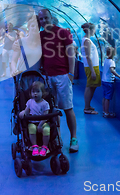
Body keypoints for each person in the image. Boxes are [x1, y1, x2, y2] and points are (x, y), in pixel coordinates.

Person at [37, 9, 79, 153]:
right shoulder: (40, 36)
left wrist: (71, 74)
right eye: (41, 19)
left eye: (46, 18)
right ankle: (57, 137)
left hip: (62, 75)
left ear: (51, 18)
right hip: (48, 77)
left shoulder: (62, 32)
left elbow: (70, 53)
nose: (44, 21)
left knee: (67, 108)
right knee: (52, 109)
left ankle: (73, 138)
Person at [19, 81, 51, 156]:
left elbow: (46, 116)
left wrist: (40, 125)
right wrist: (22, 113)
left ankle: (44, 147)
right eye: (33, 92)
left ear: (43, 93)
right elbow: (26, 111)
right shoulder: (30, 102)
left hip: (43, 122)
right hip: (32, 122)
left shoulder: (45, 104)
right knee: (32, 129)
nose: (35, 93)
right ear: (30, 93)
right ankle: (35, 146)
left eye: (37, 91)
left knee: (46, 129)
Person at [81, 22, 101, 115]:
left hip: (93, 66)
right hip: (91, 67)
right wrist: (92, 71)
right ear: (90, 30)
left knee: (92, 87)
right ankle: (86, 108)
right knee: (89, 86)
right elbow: (88, 56)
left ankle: (88, 105)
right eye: (94, 29)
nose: (95, 31)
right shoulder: (87, 41)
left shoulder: (87, 40)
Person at [102, 46, 120, 118]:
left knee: (104, 97)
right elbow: (112, 70)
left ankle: (104, 111)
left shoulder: (105, 60)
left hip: (104, 80)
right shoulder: (112, 62)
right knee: (108, 98)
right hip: (109, 82)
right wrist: (119, 76)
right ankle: (107, 112)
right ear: (113, 54)